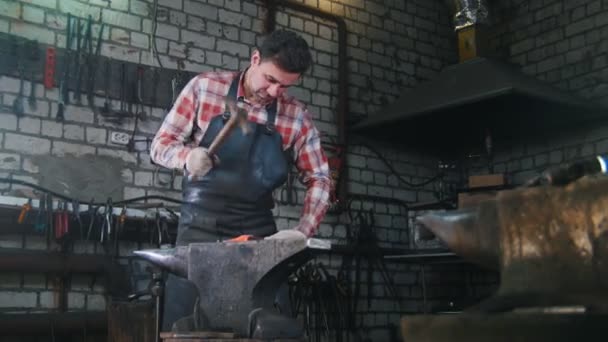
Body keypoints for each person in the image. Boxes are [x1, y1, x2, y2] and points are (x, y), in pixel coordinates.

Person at [150, 30, 333, 331]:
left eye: (285, 86)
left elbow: (320, 178)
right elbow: (160, 146)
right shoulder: (204, 88)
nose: (275, 92)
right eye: (271, 80)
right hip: (200, 228)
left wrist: (303, 231)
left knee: (269, 328)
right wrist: (186, 156)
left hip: (258, 235)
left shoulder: (296, 117)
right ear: (255, 59)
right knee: (185, 328)